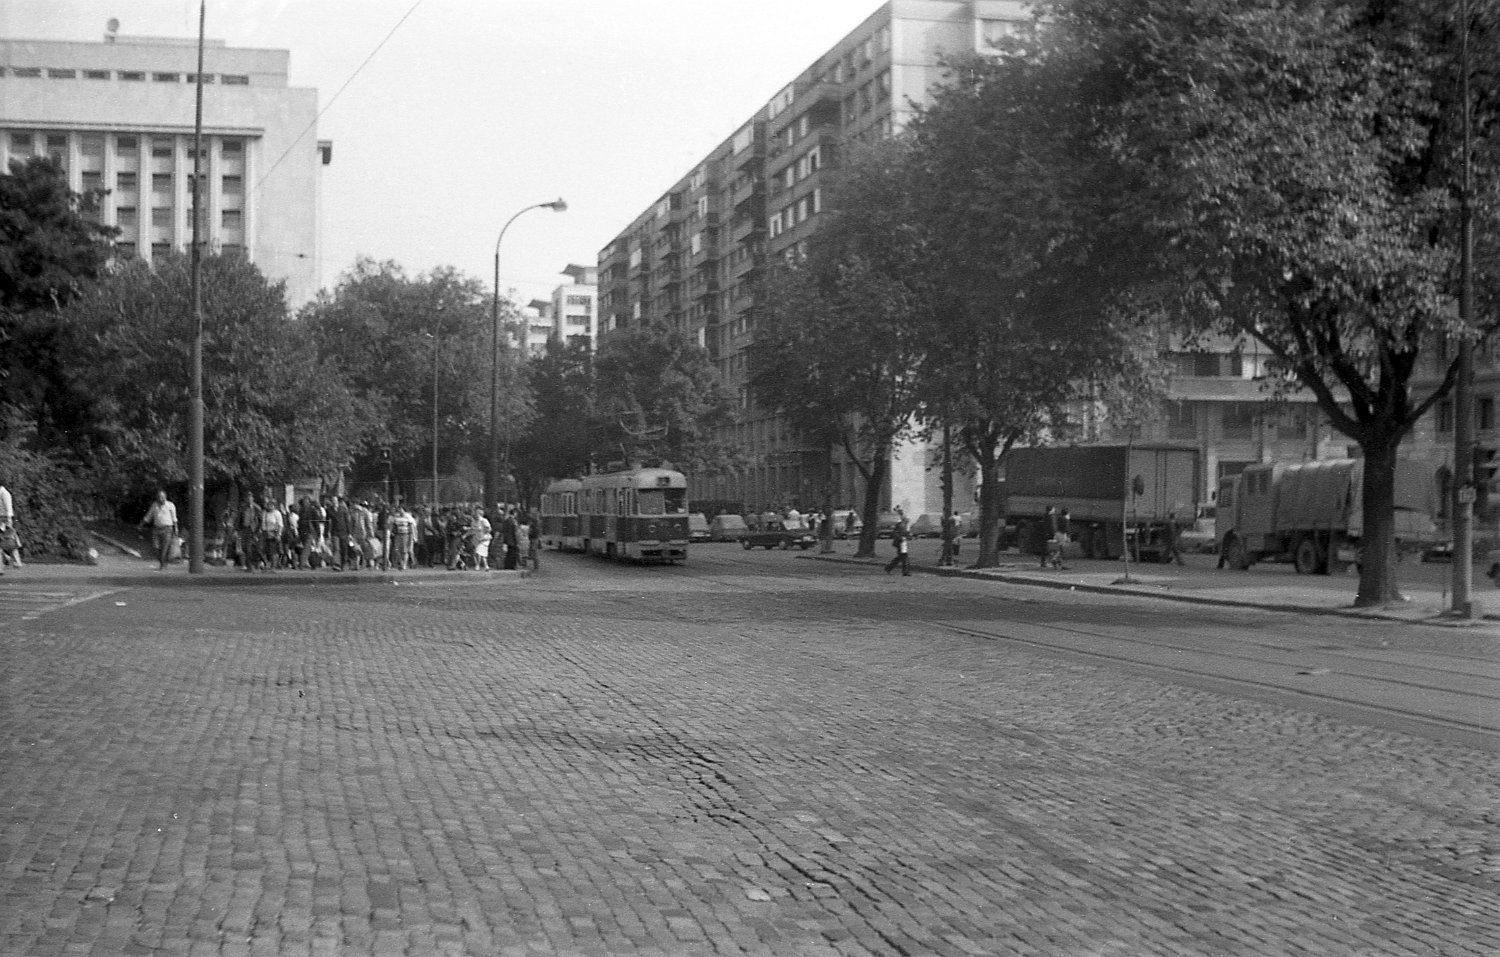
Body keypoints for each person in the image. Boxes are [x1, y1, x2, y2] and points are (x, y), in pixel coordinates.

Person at [139, 490, 179, 570]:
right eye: (159, 497)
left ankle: (163, 565)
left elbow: (174, 518)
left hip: (167, 529)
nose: (161, 499)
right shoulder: (154, 505)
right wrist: (141, 524)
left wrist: (176, 528)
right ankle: (163, 562)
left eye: (163, 497)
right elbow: (148, 516)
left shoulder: (170, 505)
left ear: (165, 497)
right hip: (156, 529)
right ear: (157, 498)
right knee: (155, 547)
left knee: (164, 548)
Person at [884, 509, 910, 576]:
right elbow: (895, 533)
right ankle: (905, 571)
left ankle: (889, 568)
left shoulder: (903, 525)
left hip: (902, 543)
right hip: (900, 543)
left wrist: (908, 536)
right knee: (904, 557)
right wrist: (901, 538)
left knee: (901, 557)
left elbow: (905, 533)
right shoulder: (900, 525)